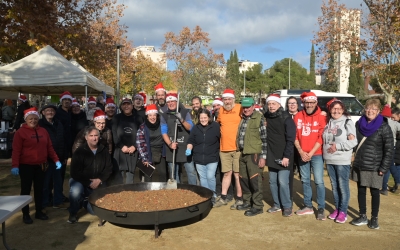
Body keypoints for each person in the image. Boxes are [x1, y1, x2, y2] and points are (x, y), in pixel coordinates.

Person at [11, 107, 61, 224]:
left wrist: (56, 160)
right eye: (30, 118)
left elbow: (49, 148)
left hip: (41, 165)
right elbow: (16, 150)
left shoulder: (43, 131)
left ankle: (39, 211)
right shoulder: (20, 133)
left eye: (35, 118)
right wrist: (15, 165)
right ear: (26, 119)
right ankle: (26, 214)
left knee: (40, 189)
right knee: (26, 190)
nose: (33, 120)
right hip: (26, 166)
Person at [350, 98, 393, 229]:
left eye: (374, 109)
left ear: (378, 111)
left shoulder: (384, 127)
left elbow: (389, 149)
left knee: (375, 192)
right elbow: (354, 141)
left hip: (375, 166)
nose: (370, 111)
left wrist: (384, 167)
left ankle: (374, 218)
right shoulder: (358, 124)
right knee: (361, 191)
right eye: (368, 108)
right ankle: (363, 215)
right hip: (360, 164)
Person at [322, 98, 357, 223]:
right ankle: (337, 209)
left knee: (343, 187)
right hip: (329, 160)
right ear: (330, 110)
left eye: (339, 109)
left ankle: (343, 211)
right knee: (334, 186)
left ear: (343, 110)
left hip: (342, 160)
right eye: (333, 108)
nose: (336, 111)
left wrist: (338, 146)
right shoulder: (328, 122)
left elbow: (353, 141)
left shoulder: (347, 122)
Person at [293, 91, 327, 220]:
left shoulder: (322, 117)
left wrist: (311, 153)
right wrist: (301, 152)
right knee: (305, 180)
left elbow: (321, 136)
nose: (309, 105)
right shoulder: (298, 116)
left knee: (319, 181)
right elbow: (294, 136)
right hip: (302, 154)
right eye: (307, 102)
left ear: (316, 103)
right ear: (303, 103)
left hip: (316, 154)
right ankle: (308, 206)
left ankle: (321, 207)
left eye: (312, 102)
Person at [68, 126, 113, 224]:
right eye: (91, 136)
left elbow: (108, 168)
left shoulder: (103, 150)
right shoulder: (79, 151)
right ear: (86, 137)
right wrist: (88, 182)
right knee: (76, 191)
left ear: (99, 136)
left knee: (94, 212)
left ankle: (84, 201)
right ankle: (73, 213)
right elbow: (74, 172)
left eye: (96, 135)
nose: (94, 138)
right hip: (80, 180)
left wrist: (99, 180)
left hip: (98, 181)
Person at [234, 97, 267, 216]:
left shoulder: (259, 118)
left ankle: (258, 206)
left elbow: (264, 139)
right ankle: (247, 202)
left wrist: (263, 156)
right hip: (243, 152)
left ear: (253, 106)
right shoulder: (243, 118)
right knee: (244, 179)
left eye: (248, 107)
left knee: (255, 180)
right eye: (244, 107)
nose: (246, 109)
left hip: (254, 154)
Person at [264, 94, 296, 217]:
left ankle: (287, 206)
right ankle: (277, 204)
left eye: (273, 104)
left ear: (279, 105)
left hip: (285, 155)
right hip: (271, 153)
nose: (271, 106)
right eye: (269, 104)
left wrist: (286, 156)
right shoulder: (266, 116)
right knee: (272, 181)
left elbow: (290, 139)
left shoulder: (287, 118)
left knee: (283, 182)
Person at [213, 89, 243, 209]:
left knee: (237, 174)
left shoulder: (240, 108)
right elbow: (217, 124)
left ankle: (240, 199)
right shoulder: (221, 110)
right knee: (226, 174)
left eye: (229, 99)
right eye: (225, 99)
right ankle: (224, 198)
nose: (227, 101)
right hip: (224, 148)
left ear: (233, 99)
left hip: (237, 148)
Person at [160, 93, 197, 185]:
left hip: (185, 147)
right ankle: (178, 192)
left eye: (172, 101)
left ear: (177, 102)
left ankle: (193, 191)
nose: (171, 103)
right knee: (174, 174)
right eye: (168, 102)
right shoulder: (164, 116)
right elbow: (164, 132)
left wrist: (182, 120)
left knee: (191, 172)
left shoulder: (185, 113)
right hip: (172, 148)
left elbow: (190, 128)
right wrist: (170, 144)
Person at [186, 109, 220, 203]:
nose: (203, 120)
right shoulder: (196, 128)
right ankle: (206, 196)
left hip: (212, 157)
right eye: (201, 118)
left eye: (205, 117)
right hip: (199, 158)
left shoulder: (216, 126)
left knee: (210, 176)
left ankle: (213, 194)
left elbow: (221, 139)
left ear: (209, 117)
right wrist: (189, 149)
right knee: (203, 178)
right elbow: (191, 141)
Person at [39, 104, 68, 210]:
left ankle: (58, 201)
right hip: (46, 159)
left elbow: (63, 140)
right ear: (43, 112)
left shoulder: (58, 123)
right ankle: (45, 202)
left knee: (58, 181)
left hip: (59, 158)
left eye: (52, 111)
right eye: (47, 110)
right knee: (46, 182)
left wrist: (64, 155)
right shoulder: (40, 125)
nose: (50, 112)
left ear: (55, 113)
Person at [136, 104, 168, 182]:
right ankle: (148, 192)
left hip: (160, 151)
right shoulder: (142, 127)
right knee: (148, 175)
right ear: (147, 116)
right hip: (148, 152)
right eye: (150, 115)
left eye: (154, 115)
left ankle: (163, 192)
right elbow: (140, 143)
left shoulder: (162, 125)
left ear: (157, 116)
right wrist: (144, 158)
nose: (152, 117)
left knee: (163, 174)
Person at [112, 98, 139, 184]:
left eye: (128, 104)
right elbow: (114, 135)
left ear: (132, 106)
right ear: (121, 107)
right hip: (120, 150)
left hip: (133, 151)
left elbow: (141, 135)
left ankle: (128, 194)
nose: (126, 106)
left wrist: (135, 146)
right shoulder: (116, 118)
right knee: (118, 177)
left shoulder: (138, 118)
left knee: (130, 177)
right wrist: (121, 146)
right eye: (124, 104)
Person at [55, 91, 73, 202]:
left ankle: (59, 195)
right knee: (58, 174)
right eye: (65, 100)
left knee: (63, 173)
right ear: (62, 101)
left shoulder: (71, 113)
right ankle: (57, 196)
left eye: (69, 100)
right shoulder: (57, 113)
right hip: (60, 147)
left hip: (69, 146)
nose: (67, 102)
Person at [380, 104, 400, 195]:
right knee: (390, 166)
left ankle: (385, 187)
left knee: (386, 167)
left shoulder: (380, 122)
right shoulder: (395, 123)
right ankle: (396, 182)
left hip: (383, 146)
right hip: (393, 146)